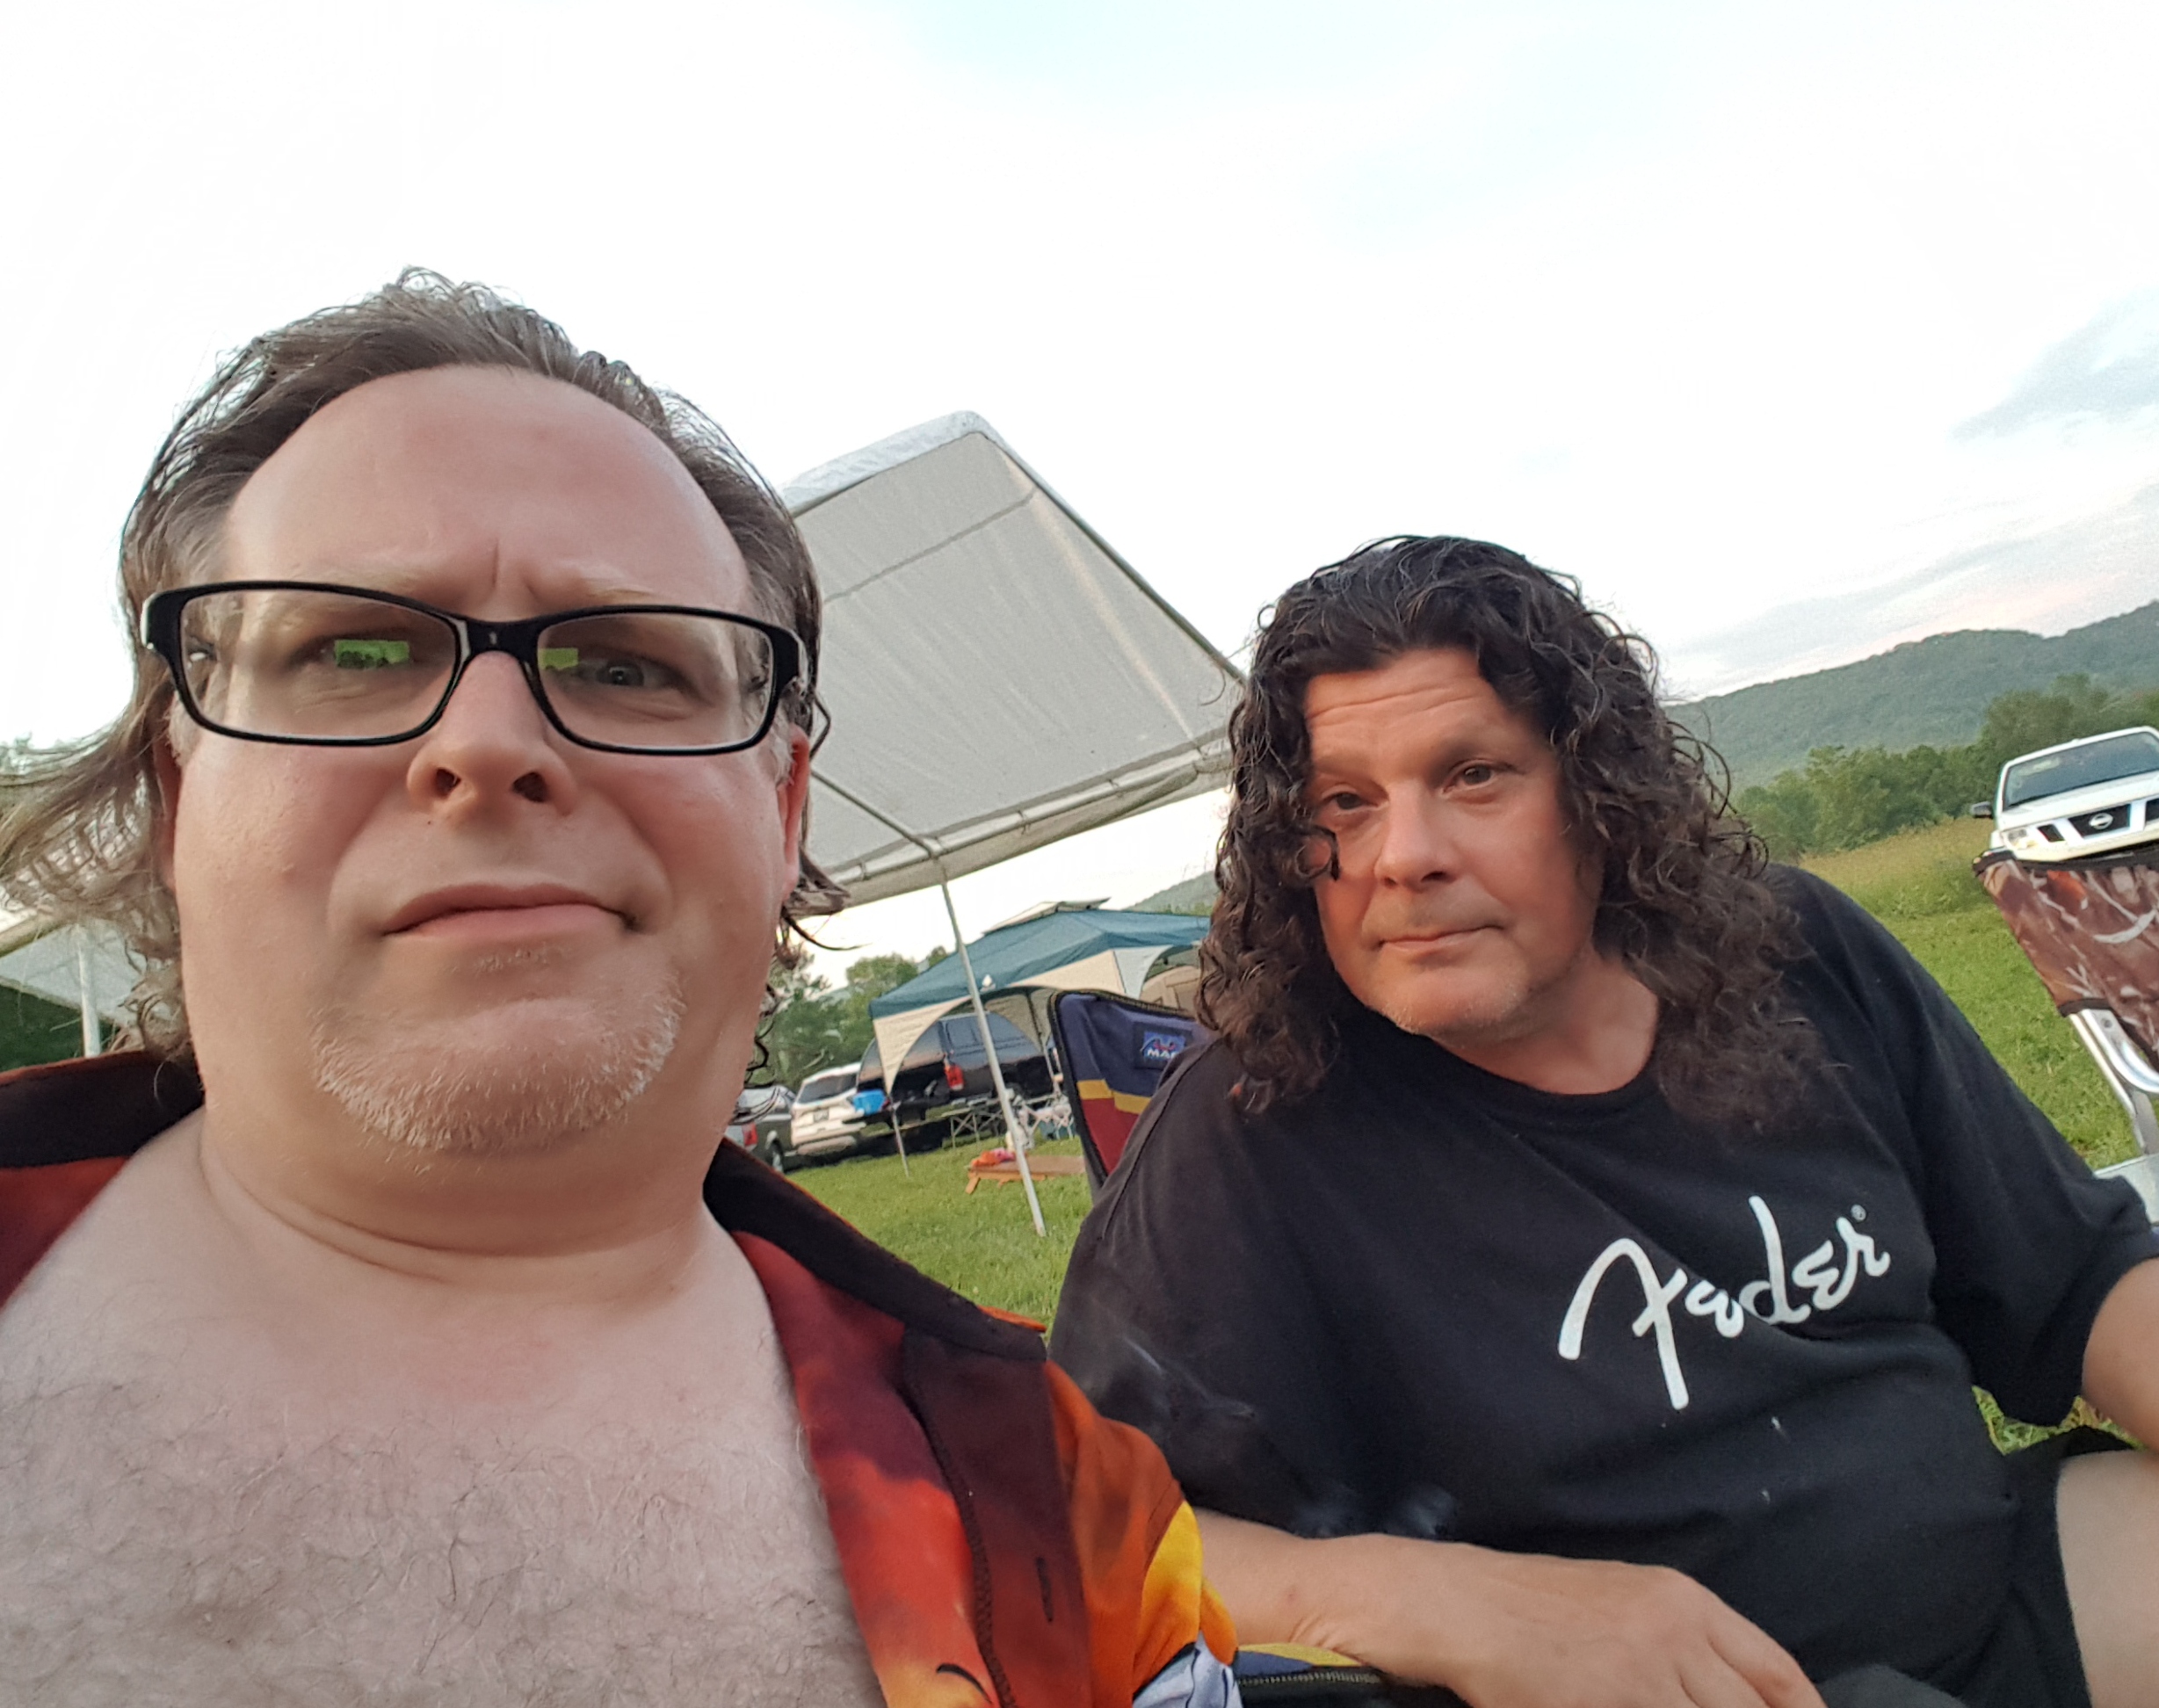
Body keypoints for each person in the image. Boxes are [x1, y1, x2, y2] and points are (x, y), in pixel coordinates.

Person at [0, 272, 1235, 1707]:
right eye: (353, 649)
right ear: (176, 797)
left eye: (628, 666)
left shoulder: (1075, 1512)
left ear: (782, 813)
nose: (488, 744)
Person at [1049, 535, 2159, 1708]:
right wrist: (1455, 1602)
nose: (1403, 855)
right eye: (1345, 802)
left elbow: (2082, 1282)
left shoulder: (1786, 954)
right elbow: (1076, 1535)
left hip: (1994, 1590)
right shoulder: (1253, 1125)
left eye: (1474, 775)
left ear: (1598, 795)